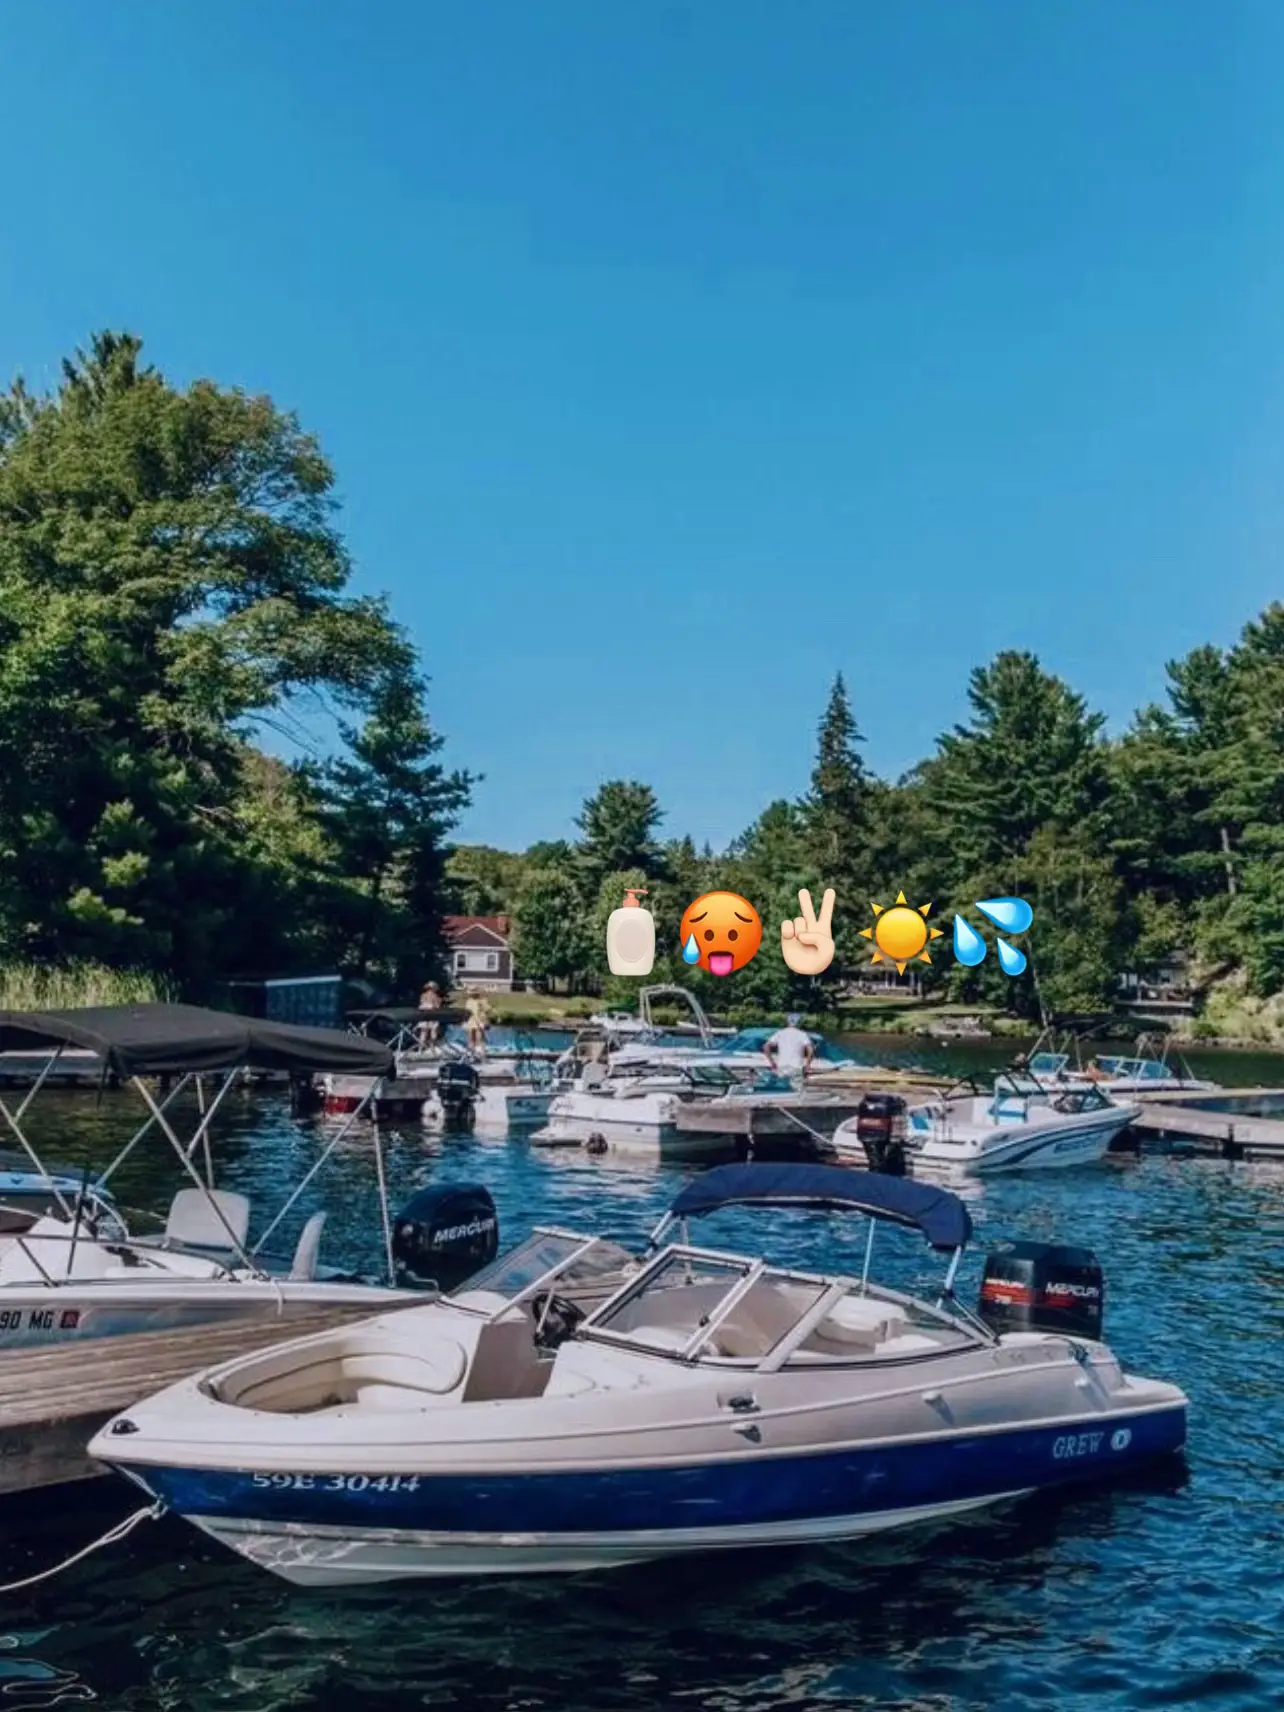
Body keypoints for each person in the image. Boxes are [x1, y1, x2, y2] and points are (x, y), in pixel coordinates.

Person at [764, 1013, 814, 1084]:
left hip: (781, 1066)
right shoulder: (802, 1034)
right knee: (796, 1090)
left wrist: (772, 1062)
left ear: (788, 1022)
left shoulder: (780, 1033)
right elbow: (810, 1050)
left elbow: (766, 1046)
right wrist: (808, 1064)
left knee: (782, 1088)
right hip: (796, 1066)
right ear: (799, 1023)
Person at [464, 990, 491, 1056]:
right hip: (471, 1021)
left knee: (480, 1039)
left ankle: (482, 1055)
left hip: (478, 1021)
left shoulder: (481, 1001)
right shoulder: (469, 1001)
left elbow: (487, 1010)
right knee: (471, 1039)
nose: (472, 995)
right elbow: (467, 1012)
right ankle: (472, 1055)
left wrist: (484, 1021)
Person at [416, 980, 442, 1048]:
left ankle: (420, 1049)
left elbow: (421, 1004)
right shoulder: (436, 997)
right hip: (433, 1015)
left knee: (423, 1032)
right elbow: (437, 1007)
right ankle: (432, 1047)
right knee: (433, 1032)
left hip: (424, 1015)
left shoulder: (423, 995)